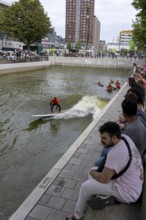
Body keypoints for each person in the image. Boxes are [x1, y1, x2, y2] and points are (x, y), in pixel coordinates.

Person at [66, 122, 144, 220]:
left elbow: (104, 179)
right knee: (94, 171)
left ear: (114, 138)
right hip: (133, 183)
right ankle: (99, 194)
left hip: (128, 193)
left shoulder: (115, 153)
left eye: (104, 138)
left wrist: (91, 173)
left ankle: (77, 216)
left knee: (85, 186)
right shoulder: (125, 138)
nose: (101, 141)